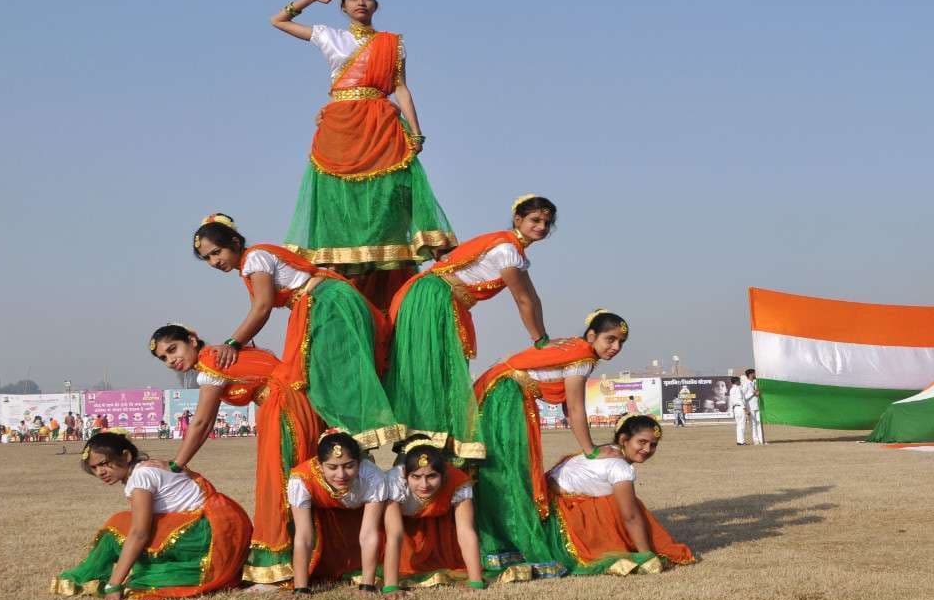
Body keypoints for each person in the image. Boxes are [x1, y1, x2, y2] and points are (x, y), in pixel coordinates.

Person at [271, 0, 457, 310]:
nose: (361, 2)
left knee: (387, 201)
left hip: (382, 124)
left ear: (376, 4)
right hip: (341, 127)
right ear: (343, 6)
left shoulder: (392, 43)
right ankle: (344, 284)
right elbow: (278, 20)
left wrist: (416, 132)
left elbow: (401, 88)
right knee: (340, 202)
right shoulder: (331, 36)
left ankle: (389, 280)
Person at [192, 213, 406, 450]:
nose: (214, 262)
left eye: (216, 252)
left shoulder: (254, 258)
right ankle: (348, 437)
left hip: (324, 303)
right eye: (207, 258)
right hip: (322, 302)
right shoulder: (250, 264)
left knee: (325, 371)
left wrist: (232, 343)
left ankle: (352, 436)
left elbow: (262, 308)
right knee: (324, 371)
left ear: (234, 243)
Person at [150, 324, 325, 586]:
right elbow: (206, 423)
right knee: (296, 484)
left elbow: (201, 423)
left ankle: (277, 570)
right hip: (295, 405)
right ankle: (306, 561)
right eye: (163, 358)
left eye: (173, 350)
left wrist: (176, 464)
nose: (170, 361)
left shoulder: (212, 360)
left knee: (278, 487)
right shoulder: (220, 357)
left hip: (285, 409)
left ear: (192, 340)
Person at [384, 196, 555, 453]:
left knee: (439, 363)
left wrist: (543, 338)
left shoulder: (514, 251)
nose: (541, 226)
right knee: (432, 362)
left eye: (546, 222)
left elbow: (532, 298)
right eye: (535, 220)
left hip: (442, 298)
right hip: (435, 296)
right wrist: (540, 342)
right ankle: (420, 434)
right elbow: (522, 299)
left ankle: (429, 434)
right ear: (518, 220)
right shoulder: (506, 250)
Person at [470, 310, 630, 576]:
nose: (615, 347)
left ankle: (500, 545)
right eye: (610, 339)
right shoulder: (581, 357)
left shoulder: (577, 351)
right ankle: (509, 547)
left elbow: (570, 408)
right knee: (511, 472)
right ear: (592, 336)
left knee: (504, 472)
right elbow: (577, 409)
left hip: (499, 392)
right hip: (504, 396)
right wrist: (591, 451)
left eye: (621, 343)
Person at [51, 431, 252, 600]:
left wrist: (114, 585)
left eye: (104, 463)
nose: (100, 472)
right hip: (220, 529)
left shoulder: (140, 476)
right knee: (124, 521)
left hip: (204, 536)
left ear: (126, 456)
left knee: (117, 526)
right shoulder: (147, 468)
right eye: (94, 468)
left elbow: (140, 533)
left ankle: (98, 578)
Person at [544, 414, 695, 575]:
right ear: (624, 440)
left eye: (653, 445)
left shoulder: (603, 450)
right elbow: (630, 516)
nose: (647, 449)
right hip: (560, 515)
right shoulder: (619, 467)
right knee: (628, 505)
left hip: (544, 502)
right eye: (642, 442)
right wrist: (646, 556)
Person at [287, 431, 390, 595]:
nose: (341, 475)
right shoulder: (301, 479)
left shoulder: (373, 477)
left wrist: (367, 586)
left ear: (360, 462)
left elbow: (369, 532)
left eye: (349, 466)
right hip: (327, 528)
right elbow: (304, 535)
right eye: (332, 467)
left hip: (359, 522)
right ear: (320, 465)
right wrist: (301, 589)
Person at [379, 436, 485, 596]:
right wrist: (391, 587)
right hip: (401, 537)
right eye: (416, 477)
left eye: (432, 476)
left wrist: (476, 581)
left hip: (437, 536)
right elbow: (394, 534)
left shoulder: (457, 481)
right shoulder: (394, 482)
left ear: (444, 474)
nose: (424, 485)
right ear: (405, 474)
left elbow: (465, 531)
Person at [741, 368, 765, 445]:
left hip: (757, 405)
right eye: (754, 373)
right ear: (751, 374)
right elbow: (743, 397)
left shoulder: (755, 382)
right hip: (750, 406)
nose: (755, 375)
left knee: (759, 423)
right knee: (753, 424)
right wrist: (753, 393)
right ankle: (755, 440)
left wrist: (757, 393)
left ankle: (761, 440)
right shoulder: (746, 384)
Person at [728, 377, 747, 446]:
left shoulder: (731, 389)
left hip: (735, 408)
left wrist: (731, 411)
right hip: (740, 407)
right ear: (736, 381)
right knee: (742, 425)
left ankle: (739, 441)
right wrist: (745, 408)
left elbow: (731, 401)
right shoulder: (738, 388)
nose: (740, 382)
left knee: (739, 425)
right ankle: (741, 441)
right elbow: (740, 399)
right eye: (739, 381)